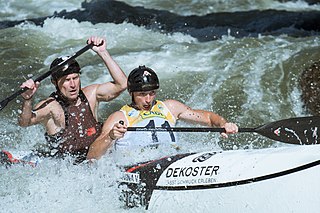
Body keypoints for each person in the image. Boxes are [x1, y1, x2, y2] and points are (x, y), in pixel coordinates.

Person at [86, 65, 238, 160]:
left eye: (152, 93)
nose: (148, 99)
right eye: (142, 95)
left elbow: (209, 118)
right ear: (131, 93)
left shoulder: (170, 107)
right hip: (139, 166)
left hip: (172, 161)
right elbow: (92, 155)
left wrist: (223, 124)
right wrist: (111, 137)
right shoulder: (120, 117)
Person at [18, 36, 127, 162]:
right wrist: (27, 99)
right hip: (68, 169)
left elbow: (122, 84)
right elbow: (24, 122)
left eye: (75, 78)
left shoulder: (91, 95)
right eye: (66, 80)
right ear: (54, 82)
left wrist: (102, 52)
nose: (73, 85)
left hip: (96, 159)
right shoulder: (51, 106)